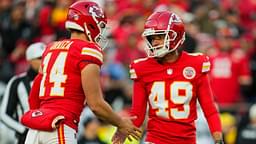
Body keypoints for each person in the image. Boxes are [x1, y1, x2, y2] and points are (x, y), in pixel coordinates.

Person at [21, 1, 141, 144]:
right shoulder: (87, 51)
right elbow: (96, 104)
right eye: (100, 26)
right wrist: (120, 122)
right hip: (60, 126)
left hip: (36, 128)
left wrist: (40, 118)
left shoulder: (50, 48)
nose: (101, 31)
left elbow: (35, 93)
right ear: (90, 24)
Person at [112, 11, 223, 144]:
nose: (155, 42)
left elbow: (209, 109)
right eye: (152, 38)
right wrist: (124, 128)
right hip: (155, 139)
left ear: (175, 36)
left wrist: (218, 139)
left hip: (187, 140)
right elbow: (138, 114)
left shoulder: (195, 64)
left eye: (159, 37)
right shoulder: (142, 68)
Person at [0, 42, 45, 144]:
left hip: (49, 135)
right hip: (25, 138)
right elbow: (4, 114)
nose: (43, 61)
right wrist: (23, 130)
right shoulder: (17, 82)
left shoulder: (53, 80)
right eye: (39, 58)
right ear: (29, 60)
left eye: (45, 57)